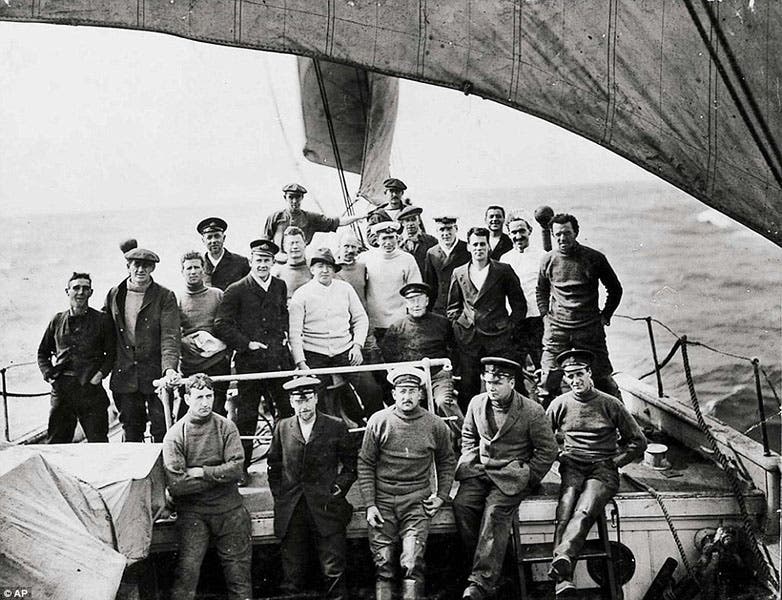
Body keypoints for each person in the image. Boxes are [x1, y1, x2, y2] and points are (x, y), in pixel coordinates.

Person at [453, 357, 558, 600]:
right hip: (481, 471)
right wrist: (470, 460)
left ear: (511, 382)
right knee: (462, 505)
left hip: (512, 475)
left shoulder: (532, 411)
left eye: (497, 383)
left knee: (494, 512)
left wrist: (529, 476)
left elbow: (547, 450)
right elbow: (468, 435)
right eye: (488, 382)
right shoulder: (476, 403)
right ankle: (490, 569)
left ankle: (480, 582)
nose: (491, 387)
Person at [545, 349, 647, 596]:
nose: (575, 380)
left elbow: (638, 441)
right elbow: (544, 438)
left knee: (584, 509)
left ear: (589, 373)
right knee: (565, 509)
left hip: (603, 469)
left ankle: (562, 564)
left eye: (579, 374)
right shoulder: (559, 404)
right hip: (573, 466)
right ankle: (563, 579)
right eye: (570, 376)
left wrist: (616, 462)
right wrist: (559, 455)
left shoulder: (610, 404)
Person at [358, 366, 455, 600]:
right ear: (393, 394)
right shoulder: (379, 421)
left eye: (412, 391)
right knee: (384, 565)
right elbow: (365, 463)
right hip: (382, 502)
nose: (406, 397)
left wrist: (441, 495)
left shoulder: (435, 425)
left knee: (411, 562)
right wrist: (370, 504)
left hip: (416, 502)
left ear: (421, 394)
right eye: (402, 391)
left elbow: (447, 462)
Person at [162, 373, 251, 600]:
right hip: (193, 515)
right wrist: (220, 476)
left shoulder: (226, 427)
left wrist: (202, 472)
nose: (205, 402)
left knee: (239, 577)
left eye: (209, 395)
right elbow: (178, 485)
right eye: (199, 396)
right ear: (187, 398)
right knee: (187, 576)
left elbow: (237, 469)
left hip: (230, 512)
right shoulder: (175, 435)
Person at [267, 376, 357, 600]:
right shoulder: (282, 428)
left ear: (316, 399)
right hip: (292, 509)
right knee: (292, 574)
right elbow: (273, 465)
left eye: (308, 399)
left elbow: (350, 466)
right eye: (298, 401)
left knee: (333, 570)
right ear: (291, 402)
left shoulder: (335, 426)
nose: (304, 406)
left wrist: (337, 489)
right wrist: (281, 495)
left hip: (326, 507)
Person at [215, 238, 291, 475]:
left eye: (266, 260)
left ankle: (283, 464)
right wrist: (247, 344)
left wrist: (284, 334)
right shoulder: (236, 289)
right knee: (247, 416)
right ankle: (242, 468)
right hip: (250, 364)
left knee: (285, 411)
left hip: (278, 361)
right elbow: (221, 324)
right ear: (250, 261)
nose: (262, 265)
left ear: (272, 262)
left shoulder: (279, 285)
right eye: (258, 260)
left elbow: (282, 313)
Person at [537, 213, 624, 402]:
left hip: (589, 328)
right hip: (557, 330)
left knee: (603, 379)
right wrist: (545, 316)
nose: (562, 238)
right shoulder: (548, 260)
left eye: (567, 233)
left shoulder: (594, 258)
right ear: (552, 234)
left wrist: (606, 315)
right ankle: (546, 428)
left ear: (576, 232)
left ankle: (622, 425)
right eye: (558, 234)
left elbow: (615, 289)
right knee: (548, 381)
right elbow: (541, 290)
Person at [289, 247, 383, 416]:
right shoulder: (301, 295)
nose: (325, 270)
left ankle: (373, 431)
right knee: (315, 398)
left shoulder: (345, 289)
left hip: (345, 350)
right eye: (319, 266)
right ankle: (327, 438)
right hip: (314, 354)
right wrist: (301, 363)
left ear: (334, 270)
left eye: (329, 267)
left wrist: (357, 346)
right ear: (312, 269)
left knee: (372, 390)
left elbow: (360, 318)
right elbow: (294, 333)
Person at [104, 246, 180, 442]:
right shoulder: (114, 294)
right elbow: (102, 330)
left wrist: (169, 369)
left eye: (147, 266)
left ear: (152, 269)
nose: (141, 270)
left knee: (162, 427)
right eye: (137, 265)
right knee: (131, 429)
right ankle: (136, 472)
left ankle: (164, 470)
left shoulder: (165, 296)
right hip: (125, 374)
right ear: (128, 266)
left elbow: (170, 336)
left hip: (155, 374)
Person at [446, 227, 526, 408]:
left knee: (510, 380)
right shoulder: (459, 273)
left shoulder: (503, 270)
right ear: (468, 247)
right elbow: (452, 308)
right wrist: (462, 326)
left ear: (489, 246)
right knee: (468, 387)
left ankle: (520, 420)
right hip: (469, 340)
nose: (479, 248)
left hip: (498, 339)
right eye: (475, 244)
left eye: (483, 244)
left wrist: (508, 326)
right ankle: (469, 429)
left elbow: (519, 305)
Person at [37, 272, 114, 443]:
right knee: (57, 442)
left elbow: (111, 354)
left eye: (85, 288)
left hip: (90, 390)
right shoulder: (57, 320)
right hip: (62, 390)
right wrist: (49, 375)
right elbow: (42, 353)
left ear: (91, 293)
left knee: (98, 442)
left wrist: (99, 376)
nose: (80, 292)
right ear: (67, 291)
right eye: (76, 288)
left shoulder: (102, 320)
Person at [380, 282, 463, 432]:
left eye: (419, 299)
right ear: (406, 303)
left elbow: (454, 349)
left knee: (444, 402)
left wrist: (449, 370)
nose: (416, 304)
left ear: (427, 301)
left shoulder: (442, 323)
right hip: (411, 378)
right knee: (407, 405)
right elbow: (388, 355)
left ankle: (465, 437)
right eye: (411, 300)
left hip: (438, 375)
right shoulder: (397, 327)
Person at [178, 251, 229, 416]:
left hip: (217, 364)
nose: (193, 271)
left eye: (196, 267)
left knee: (217, 411)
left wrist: (223, 349)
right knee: (188, 414)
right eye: (188, 268)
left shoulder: (217, 295)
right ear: (182, 272)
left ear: (203, 269)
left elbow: (228, 325)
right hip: (190, 366)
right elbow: (171, 333)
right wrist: (184, 342)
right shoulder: (176, 299)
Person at [360, 221, 422, 341]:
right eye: (384, 238)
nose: (388, 243)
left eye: (391, 238)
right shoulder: (365, 258)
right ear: (377, 240)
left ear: (397, 238)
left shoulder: (407, 259)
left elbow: (415, 289)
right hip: (374, 321)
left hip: (400, 321)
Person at [499, 214, 545, 370]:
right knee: (517, 364)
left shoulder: (542, 256)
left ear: (530, 231)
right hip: (516, 320)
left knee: (543, 363)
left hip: (538, 319)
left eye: (522, 231)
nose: (518, 236)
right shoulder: (505, 259)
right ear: (509, 234)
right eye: (514, 233)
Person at [263, 183, 366, 249]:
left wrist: (359, 217)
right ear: (285, 197)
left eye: (298, 197)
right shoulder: (275, 217)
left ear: (302, 198)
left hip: (300, 260)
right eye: (291, 197)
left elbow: (336, 222)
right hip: (279, 262)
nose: (294, 201)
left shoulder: (310, 218)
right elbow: (265, 240)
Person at [423, 215, 470, 315]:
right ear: (436, 231)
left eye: (449, 228)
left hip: (462, 308)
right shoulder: (432, 253)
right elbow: (430, 284)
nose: (446, 233)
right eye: (442, 229)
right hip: (440, 308)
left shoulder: (467, 249)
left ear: (456, 229)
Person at [197, 217, 250, 291]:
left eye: (217, 236)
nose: (213, 241)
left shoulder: (241, 262)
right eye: (209, 237)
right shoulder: (198, 265)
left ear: (224, 238)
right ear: (203, 240)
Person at [270, 226, 312, 301]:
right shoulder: (277, 274)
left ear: (305, 244)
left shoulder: (313, 270)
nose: (295, 246)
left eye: (298, 242)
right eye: (291, 243)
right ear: (284, 247)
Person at [397, 204, 437, 275]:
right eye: (407, 221)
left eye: (413, 220)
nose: (410, 224)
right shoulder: (397, 243)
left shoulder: (431, 241)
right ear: (403, 223)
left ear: (419, 221)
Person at [335, 231, 368, 308]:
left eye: (353, 247)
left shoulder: (362, 267)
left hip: (360, 314)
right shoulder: (332, 269)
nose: (350, 250)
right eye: (346, 246)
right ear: (339, 246)